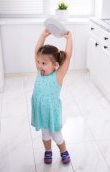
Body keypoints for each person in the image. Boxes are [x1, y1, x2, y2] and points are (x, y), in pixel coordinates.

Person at [31, 28, 73, 164]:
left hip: (51, 111)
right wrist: (43, 36)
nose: (39, 65)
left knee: (56, 135)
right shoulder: (40, 72)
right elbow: (36, 50)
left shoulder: (58, 76)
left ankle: (63, 151)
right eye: (38, 62)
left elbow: (67, 58)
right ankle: (48, 151)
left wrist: (69, 39)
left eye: (43, 63)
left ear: (55, 65)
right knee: (45, 134)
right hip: (41, 110)